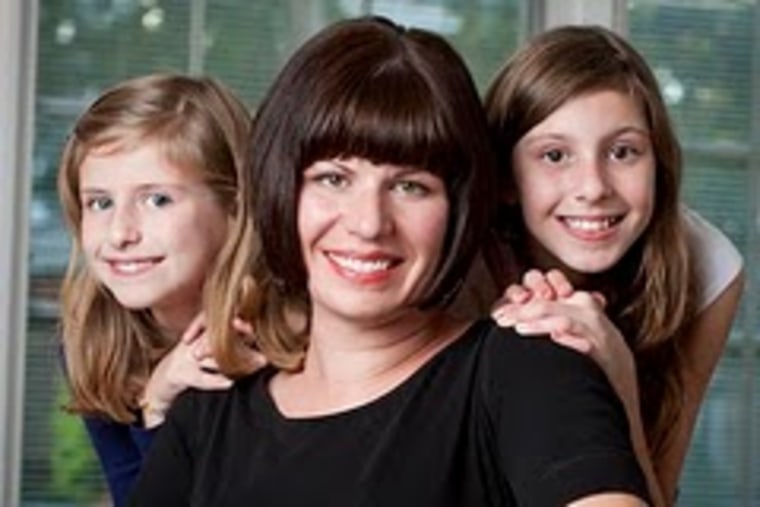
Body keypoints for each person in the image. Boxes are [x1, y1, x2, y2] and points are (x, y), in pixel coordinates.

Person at [130, 16, 650, 506]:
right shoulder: (209, 411)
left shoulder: (526, 369)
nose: (369, 223)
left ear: (459, 206)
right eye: (333, 179)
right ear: (278, 190)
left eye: (409, 186)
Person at [473, 25, 744, 504]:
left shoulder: (708, 266)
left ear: (658, 163)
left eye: (623, 152)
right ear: (506, 178)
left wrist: (619, 376)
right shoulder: (457, 258)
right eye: (555, 155)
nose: (594, 186)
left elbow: (655, 493)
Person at [57, 73, 259, 507]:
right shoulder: (89, 340)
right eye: (100, 202)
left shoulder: (280, 335)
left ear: (234, 207)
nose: (119, 233)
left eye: (157, 200)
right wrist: (156, 405)